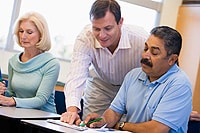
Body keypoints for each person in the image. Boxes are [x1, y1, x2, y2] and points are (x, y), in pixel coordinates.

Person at [83, 26, 192, 133]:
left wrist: (120, 125)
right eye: (145, 48)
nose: (145, 55)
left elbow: (156, 129)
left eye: (154, 52)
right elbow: (114, 112)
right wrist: (104, 121)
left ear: (172, 59)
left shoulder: (180, 84)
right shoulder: (133, 75)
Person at [60, 0, 148, 124]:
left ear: (120, 22)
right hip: (100, 86)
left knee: (125, 126)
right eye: (96, 29)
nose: (102, 35)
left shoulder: (141, 39)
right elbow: (76, 76)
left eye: (108, 28)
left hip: (131, 89)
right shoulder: (85, 38)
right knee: (91, 125)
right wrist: (72, 111)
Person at [0, 12, 60, 113]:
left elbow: (41, 100)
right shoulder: (13, 61)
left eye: (29, 32)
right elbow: (10, 94)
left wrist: (13, 101)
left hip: (43, 120)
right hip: (17, 115)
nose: (23, 36)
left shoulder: (52, 63)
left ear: (41, 35)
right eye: (21, 31)